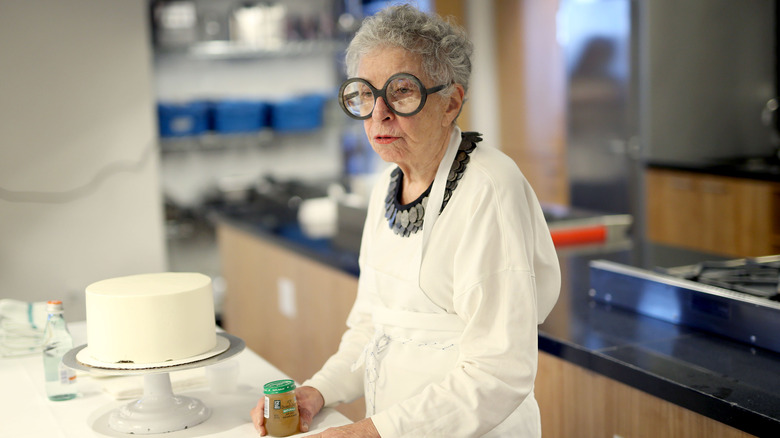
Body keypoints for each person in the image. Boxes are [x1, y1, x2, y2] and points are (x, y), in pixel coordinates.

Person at [251, 5, 560, 437]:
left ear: (450, 102)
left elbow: (500, 372)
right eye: (364, 93)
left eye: (401, 92)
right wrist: (317, 391)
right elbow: (373, 327)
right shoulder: (387, 187)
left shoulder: (489, 188)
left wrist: (367, 433)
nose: (378, 114)